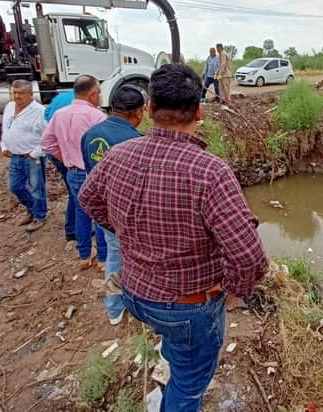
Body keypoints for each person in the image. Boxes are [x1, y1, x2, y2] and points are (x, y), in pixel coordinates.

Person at [79, 64, 268, 411]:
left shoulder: (117, 156)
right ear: (199, 111)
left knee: (176, 347)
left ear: (149, 109)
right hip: (187, 307)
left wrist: (128, 234)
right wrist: (233, 291)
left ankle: (172, 354)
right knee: (189, 385)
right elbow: (250, 258)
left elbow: (87, 199)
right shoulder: (210, 172)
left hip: (134, 293)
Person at [80, 86, 146, 325]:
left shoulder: (89, 135)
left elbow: (89, 181)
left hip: (106, 215)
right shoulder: (136, 142)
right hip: (131, 218)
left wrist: (104, 218)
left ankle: (114, 308)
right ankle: (138, 304)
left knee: (114, 259)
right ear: (139, 113)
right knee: (135, 261)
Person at [40, 75, 108, 270]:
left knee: (81, 212)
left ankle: (84, 255)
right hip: (93, 172)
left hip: (73, 172)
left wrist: (66, 158)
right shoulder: (96, 116)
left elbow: (46, 143)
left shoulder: (59, 114)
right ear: (93, 94)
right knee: (100, 214)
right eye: (99, 93)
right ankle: (103, 259)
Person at [0, 79, 48, 233]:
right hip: (15, 156)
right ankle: (32, 210)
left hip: (32, 157)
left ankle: (39, 216)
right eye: (14, 92)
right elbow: (5, 128)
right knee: (15, 186)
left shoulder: (40, 111)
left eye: (21, 93)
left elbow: (48, 136)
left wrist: (36, 153)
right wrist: (4, 145)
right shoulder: (9, 107)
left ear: (30, 94)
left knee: (36, 189)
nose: (17, 96)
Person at [44, 89, 76, 241]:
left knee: (73, 190)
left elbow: (46, 116)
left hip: (57, 153)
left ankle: (72, 229)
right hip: (68, 155)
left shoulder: (60, 98)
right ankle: (73, 230)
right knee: (76, 192)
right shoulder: (85, 107)